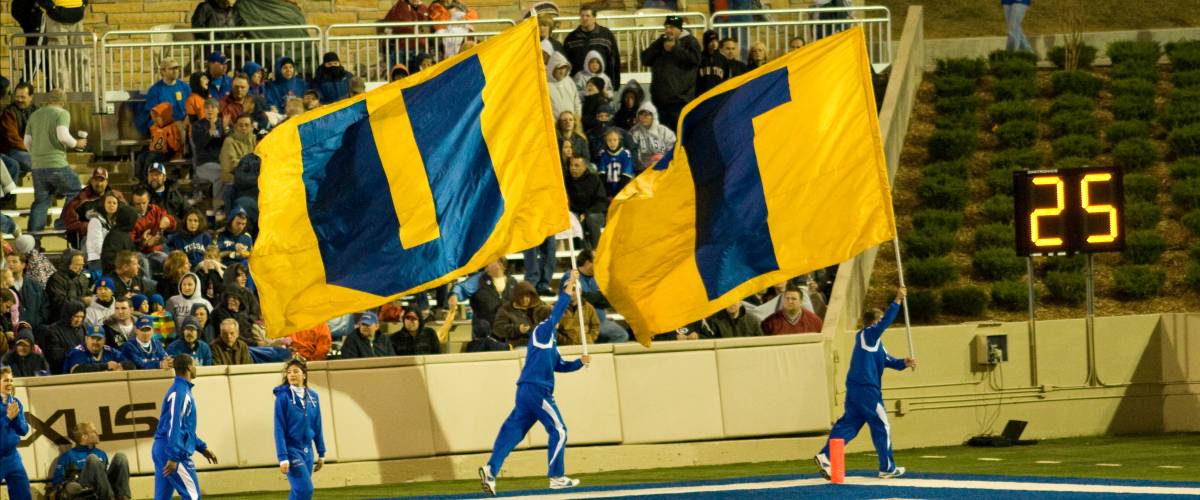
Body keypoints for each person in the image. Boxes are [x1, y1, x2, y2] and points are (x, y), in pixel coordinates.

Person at [479, 271, 589, 496]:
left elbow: (559, 366)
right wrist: (568, 287)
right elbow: (557, 312)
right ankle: (557, 477)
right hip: (538, 390)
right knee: (559, 430)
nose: (559, 317)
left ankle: (490, 470)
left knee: (513, 430)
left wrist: (579, 362)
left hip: (527, 392)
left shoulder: (551, 341)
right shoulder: (542, 330)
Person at [815, 287, 914, 480]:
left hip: (855, 389)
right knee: (881, 425)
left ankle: (826, 456)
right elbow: (885, 323)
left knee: (849, 425)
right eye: (879, 321)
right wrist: (897, 300)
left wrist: (904, 363)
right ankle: (887, 467)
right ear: (874, 322)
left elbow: (888, 361)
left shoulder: (874, 343)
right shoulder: (868, 334)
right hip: (867, 389)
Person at [152, 353, 219, 500]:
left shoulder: (179, 390)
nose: (195, 368)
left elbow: (183, 429)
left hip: (163, 448)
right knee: (192, 496)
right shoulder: (181, 392)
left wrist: (202, 447)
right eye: (194, 364)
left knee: (162, 497)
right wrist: (173, 456)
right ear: (189, 367)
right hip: (171, 450)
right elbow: (174, 426)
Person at [23, 88, 84, 231]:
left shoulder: (35, 115)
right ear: (63, 102)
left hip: (37, 166)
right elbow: (63, 136)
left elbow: (26, 142)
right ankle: (62, 222)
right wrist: (77, 143)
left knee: (41, 202)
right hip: (56, 164)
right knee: (75, 189)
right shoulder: (62, 113)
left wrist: (37, 155)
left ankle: (34, 241)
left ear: (48, 100)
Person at [273, 358, 326, 500]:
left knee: (298, 493)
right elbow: (278, 429)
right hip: (291, 451)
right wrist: (282, 457)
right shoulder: (282, 398)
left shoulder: (313, 396)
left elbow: (318, 425)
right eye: (289, 372)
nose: (291, 374)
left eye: (296, 371)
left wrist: (321, 452)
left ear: (304, 375)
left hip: (308, 452)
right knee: (305, 490)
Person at [640, 16, 700, 132]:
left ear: (679, 29)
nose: (668, 30)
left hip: (680, 101)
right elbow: (645, 60)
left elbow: (695, 60)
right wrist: (658, 46)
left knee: (679, 136)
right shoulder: (660, 42)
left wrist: (675, 49)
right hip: (660, 101)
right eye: (666, 27)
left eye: (671, 27)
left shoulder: (690, 42)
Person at [48, 422, 132, 500]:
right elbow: (57, 482)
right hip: (84, 490)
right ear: (84, 436)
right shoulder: (68, 456)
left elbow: (103, 478)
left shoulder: (101, 453)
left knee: (121, 457)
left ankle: (124, 497)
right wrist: (70, 485)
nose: (97, 434)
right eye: (94, 432)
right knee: (92, 458)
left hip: (102, 488)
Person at [63, 167, 125, 251]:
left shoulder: (116, 196)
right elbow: (70, 222)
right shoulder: (81, 198)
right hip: (89, 238)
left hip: (113, 236)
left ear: (107, 182)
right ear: (91, 181)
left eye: (102, 180)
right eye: (96, 180)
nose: (99, 184)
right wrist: (88, 227)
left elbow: (128, 216)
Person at [574, 250, 628, 343]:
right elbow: (579, 299)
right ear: (587, 263)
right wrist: (597, 297)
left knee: (622, 335)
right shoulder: (572, 276)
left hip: (601, 321)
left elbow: (608, 300)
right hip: (584, 323)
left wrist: (591, 297)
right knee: (621, 335)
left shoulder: (599, 277)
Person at [564, 6, 621, 87]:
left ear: (594, 18)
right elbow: (566, 63)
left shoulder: (606, 35)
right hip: (579, 85)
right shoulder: (571, 38)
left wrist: (615, 85)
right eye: (582, 16)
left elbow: (614, 61)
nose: (584, 18)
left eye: (587, 16)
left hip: (602, 84)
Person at [0, 367, 31, 500]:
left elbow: (23, 431)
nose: (10, 384)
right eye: (6, 380)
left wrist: (16, 418)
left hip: (12, 457)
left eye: (11, 380)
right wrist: (7, 418)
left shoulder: (15, 402)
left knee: (23, 495)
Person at [564, 155, 606, 249]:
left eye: (577, 165)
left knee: (592, 219)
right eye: (571, 165)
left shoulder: (594, 179)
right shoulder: (566, 180)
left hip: (594, 212)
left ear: (585, 167)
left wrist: (587, 213)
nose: (573, 168)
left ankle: (596, 251)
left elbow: (601, 202)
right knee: (574, 220)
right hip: (575, 213)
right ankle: (582, 254)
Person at [142, 58, 190, 136]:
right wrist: (172, 126)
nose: (175, 71)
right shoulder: (155, 90)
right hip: (164, 124)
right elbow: (154, 114)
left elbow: (192, 108)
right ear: (163, 71)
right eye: (172, 69)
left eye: (177, 68)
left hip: (184, 122)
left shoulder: (185, 87)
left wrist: (186, 120)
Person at [0, 83, 37, 180]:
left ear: (31, 97)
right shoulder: (9, 112)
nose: (19, 100)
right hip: (12, 150)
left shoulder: (37, 112)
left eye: (23, 97)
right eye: (17, 97)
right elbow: (12, 138)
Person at [63, 324, 132, 374]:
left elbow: (129, 363)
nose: (95, 342)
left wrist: (121, 367)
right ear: (86, 339)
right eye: (92, 338)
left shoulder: (109, 351)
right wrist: (106, 366)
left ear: (104, 340)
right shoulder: (77, 352)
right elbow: (77, 370)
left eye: (99, 339)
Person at [45, 251, 90, 323]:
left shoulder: (83, 278)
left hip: (80, 319)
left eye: (82, 265)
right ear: (67, 264)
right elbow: (59, 302)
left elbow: (88, 294)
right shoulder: (56, 279)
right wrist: (82, 301)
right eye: (77, 265)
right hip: (60, 321)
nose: (81, 268)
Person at [628, 102, 676, 169]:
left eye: (647, 115)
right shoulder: (634, 132)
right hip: (642, 169)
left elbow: (673, 149)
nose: (643, 117)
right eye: (641, 114)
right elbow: (632, 153)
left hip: (664, 166)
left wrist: (664, 161)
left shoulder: (664, 131)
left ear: (653, 116)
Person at [7, 253, 47, 330]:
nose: (10, 264)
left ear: (23, 265)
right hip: (14, 330)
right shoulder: (4, 286)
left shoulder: (35, 286)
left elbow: (45, 305)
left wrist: (39, 320)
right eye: (8, 262)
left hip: (35, 329)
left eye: (14, 262)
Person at [547, 53, 581, 128]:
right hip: (554, 126)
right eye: (559, 68)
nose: (562, 71)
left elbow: (576, 102)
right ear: (552, 68)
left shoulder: (569, 81)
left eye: (564, 68)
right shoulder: (546, 84)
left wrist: (577, 118)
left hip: (571, 125)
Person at [598, 129, 634, 197]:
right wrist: (608, 193)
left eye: (615, 140)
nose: (612, 143)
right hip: (607, 189)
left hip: (622, 188)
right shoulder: (603, 154)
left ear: (619, 140)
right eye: (609, 140)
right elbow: (602, 175)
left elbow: (626, 175)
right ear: (606, 141)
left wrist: (617, 193)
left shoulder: (625, 154)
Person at [697, 30, 726, 94]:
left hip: (718, 95)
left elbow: (725, 79)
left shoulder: (722, 59)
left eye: (716, 41)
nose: (714, 44)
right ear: (706, 43)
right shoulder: (699, 58)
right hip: (703, 95)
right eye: (711, 41)